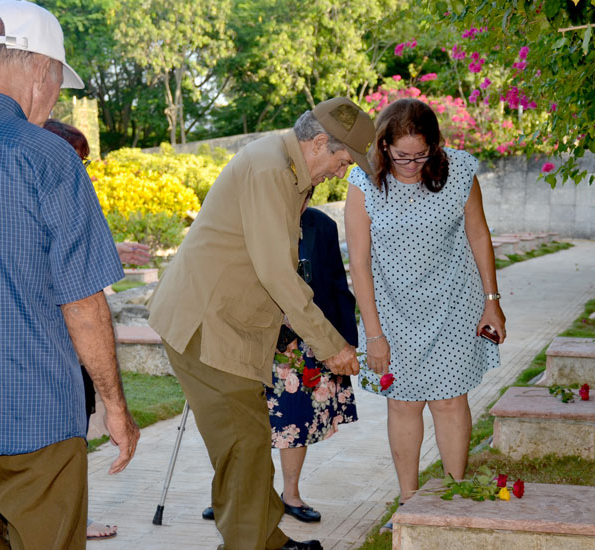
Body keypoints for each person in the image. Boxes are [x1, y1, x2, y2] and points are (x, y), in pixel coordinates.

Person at [0, 2, 140, 549]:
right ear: (43, 72)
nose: (56, 98)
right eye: (60, 84)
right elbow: (83, 304)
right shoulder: (49, 158)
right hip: (33, 415)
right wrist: (115, 407)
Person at [148, 97, 375, 550]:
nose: (342, 171)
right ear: (316, 144)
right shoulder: (272, 170)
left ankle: (267, 538)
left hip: (225, 324)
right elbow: (277, 272)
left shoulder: (286, 166)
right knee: (246, 446)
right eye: (342, 159)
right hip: (207, 328)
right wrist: (331, 345)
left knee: (245, 446)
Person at [344, 98, 505, 527]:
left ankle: (454, 492)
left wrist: (493, 302)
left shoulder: (459, 170)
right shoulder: (362, 180)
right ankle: (410, 500)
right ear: (383, 146)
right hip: (392, 312)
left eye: (421, 154)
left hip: (454, 302)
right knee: (404, 404)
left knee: (451, 402)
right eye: (402, 156)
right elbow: (358, 262)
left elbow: (478, 233)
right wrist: (373, 335)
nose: (412, 164)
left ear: (434, 146)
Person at [202, 205, 359, 524]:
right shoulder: (249, 216)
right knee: (240, 421)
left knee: (295, 421)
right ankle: (235, 495)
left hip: (302, 344)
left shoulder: (322, 225)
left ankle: (291, 494)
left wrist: (346, 339)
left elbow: (336, 284)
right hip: (251, 337)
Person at [43, 118, 151, 541]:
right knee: (66, 435)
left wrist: (116, 248)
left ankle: (75, 517)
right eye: (78, 158)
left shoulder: (67, 192)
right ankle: (68, 521)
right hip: (59, 343)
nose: (83, 168)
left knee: (76, 431)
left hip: (74, 346)